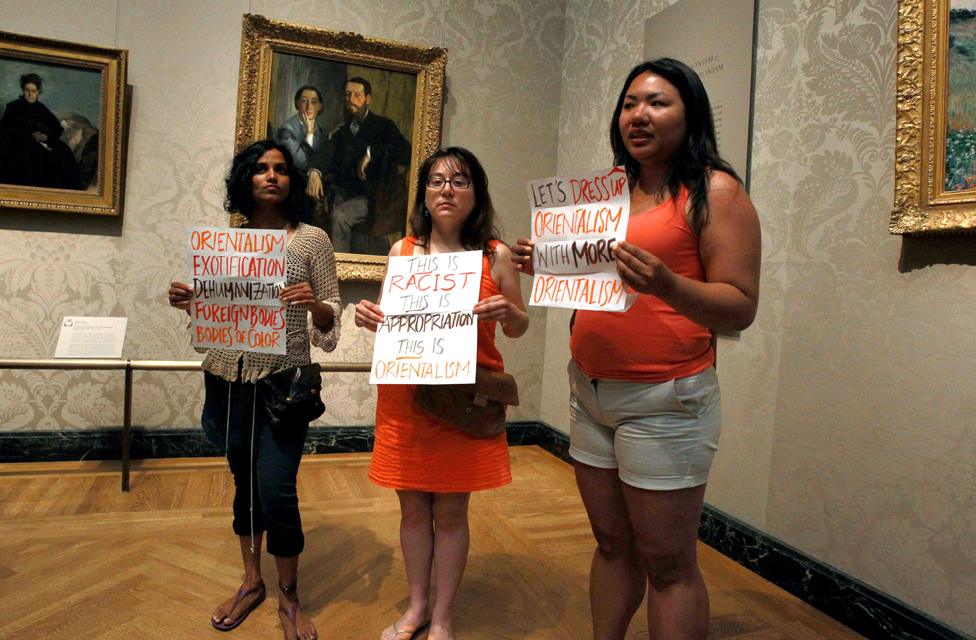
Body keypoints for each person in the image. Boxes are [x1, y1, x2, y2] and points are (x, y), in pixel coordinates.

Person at [512, 58, 761, 640]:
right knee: (610, 545)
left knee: (669, 565)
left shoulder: (715, 191)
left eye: (657, 102)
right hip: (589, 393)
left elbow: (741, 304)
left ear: (690, 113)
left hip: (665, 399)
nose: (638, 115)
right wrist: (544, 262)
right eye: (629, 103)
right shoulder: (606, 192)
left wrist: (669, 284)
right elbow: (595, 282)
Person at [168, 139, 341, 640]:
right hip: (228, 378)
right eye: (261, 169)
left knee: (277, 489)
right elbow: (222, 313)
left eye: (281, 169)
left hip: (284, 381)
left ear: (293, 180)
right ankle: (252, 582)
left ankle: (290, 596)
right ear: (246, 179)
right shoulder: (229, 241)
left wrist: (316, 306)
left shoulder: (312, 240)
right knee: (244, 484)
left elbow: (330, 319)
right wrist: (191, 302)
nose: (272, 176)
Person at [355, 147, 529, 640]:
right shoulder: (402, 252)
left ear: (477, 193)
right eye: (436, 181)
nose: (447, 189)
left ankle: (444, 619)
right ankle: (416, 608)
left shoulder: (495, 254)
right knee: (412, 510)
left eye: (460, 180)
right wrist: (370, 319)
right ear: (423, 194)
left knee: (452, 513)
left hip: (466, 402)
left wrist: (508, 314)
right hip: (408, 398)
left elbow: (518, 327)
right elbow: (395, 325)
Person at [325, 76, 411, 254]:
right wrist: (315, 172)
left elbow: (406, 153)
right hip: (345, 194)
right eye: (348, 95)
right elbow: (328, 160)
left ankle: (338, 270)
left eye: (357, 95)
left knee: (339, 217)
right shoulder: (341, 131)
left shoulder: (383, 126)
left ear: (368, 98)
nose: (351, 100)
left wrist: (371, 153)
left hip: (375, 198)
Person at [0, 73, 81, 189]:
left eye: (33, 91)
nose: (30, 94)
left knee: (64, 151)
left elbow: (57, 128)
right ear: (23, 90)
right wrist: (29, 134)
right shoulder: (13, 107)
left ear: (38, 92)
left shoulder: (41, 109)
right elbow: (4, 127)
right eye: (27, 90)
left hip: (42, 141)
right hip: (19, 142)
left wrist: (46, 136)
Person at [276, 85, 331, 202]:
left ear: (320, 107)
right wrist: (309, 134)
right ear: (297, 104)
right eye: (304, 101)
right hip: (294, 187)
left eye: (313, 102)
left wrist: (317, 172)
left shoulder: (321, 131)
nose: (308, 106)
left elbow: (327, 161)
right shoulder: (286, 131)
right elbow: (302, 163)